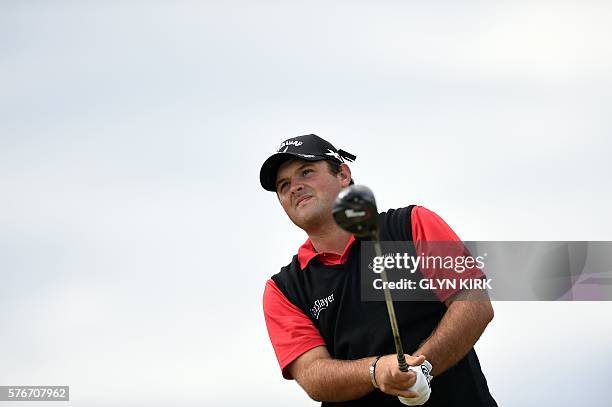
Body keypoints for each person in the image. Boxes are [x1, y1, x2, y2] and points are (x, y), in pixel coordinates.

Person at [260, 134, 497, 406]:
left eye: (306, 172)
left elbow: (475, 304)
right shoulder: (284, 289)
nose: (295, 187)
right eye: (283, 185)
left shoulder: (410, 225)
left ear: (343, 174)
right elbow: (312, 373)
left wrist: (423, 368)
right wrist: (377, 371)